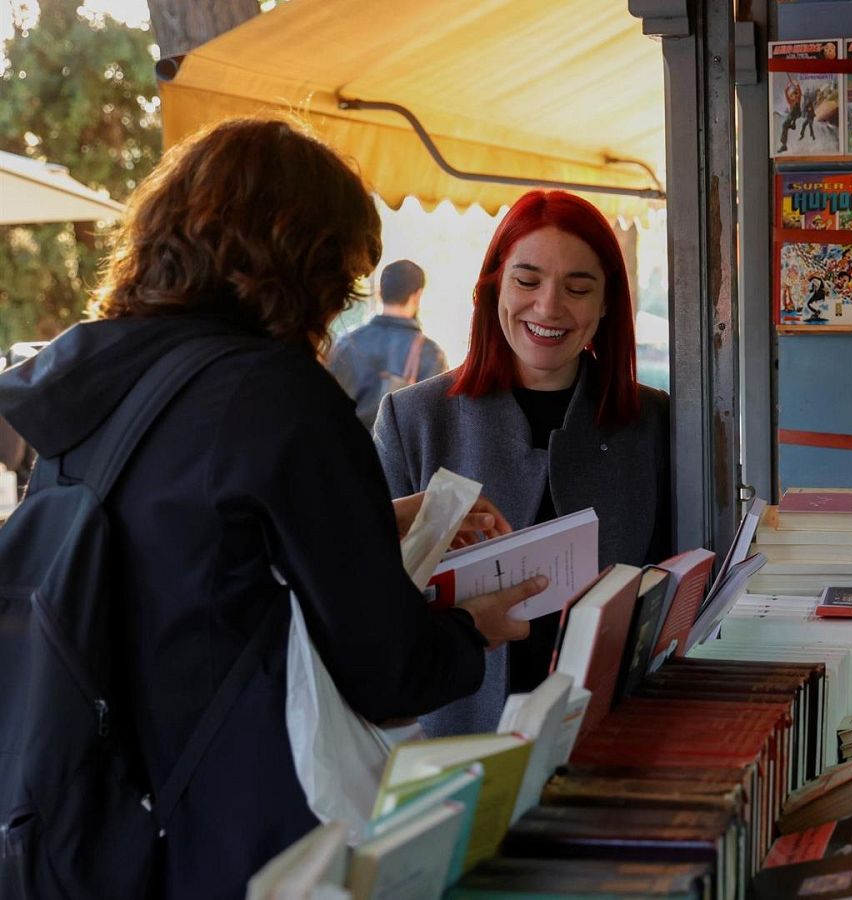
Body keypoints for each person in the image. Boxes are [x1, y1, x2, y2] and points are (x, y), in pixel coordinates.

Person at [0, 117, 540, 898]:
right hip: (247, 833)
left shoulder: (98, 383)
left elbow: (186, 553)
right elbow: (389, 669)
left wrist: (378, 520)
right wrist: (475, 630)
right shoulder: (278, 397)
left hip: (92, 815)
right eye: (343, 274)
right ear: (303, 262)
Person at [374, 189, 671, 737]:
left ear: (607, 302)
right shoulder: (411, 419)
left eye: (578, 287)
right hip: (458, 750)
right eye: (527, 281)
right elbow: (369, 606)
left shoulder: (654, 423)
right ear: (492, 289)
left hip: (617, 743)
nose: (549, 307)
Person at [327, 259, 449, 431]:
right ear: (417, 295)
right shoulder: (430, 354)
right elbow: (436, 424)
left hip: (346, 453)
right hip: (395, 456)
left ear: (379, 293)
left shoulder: (345, 343)